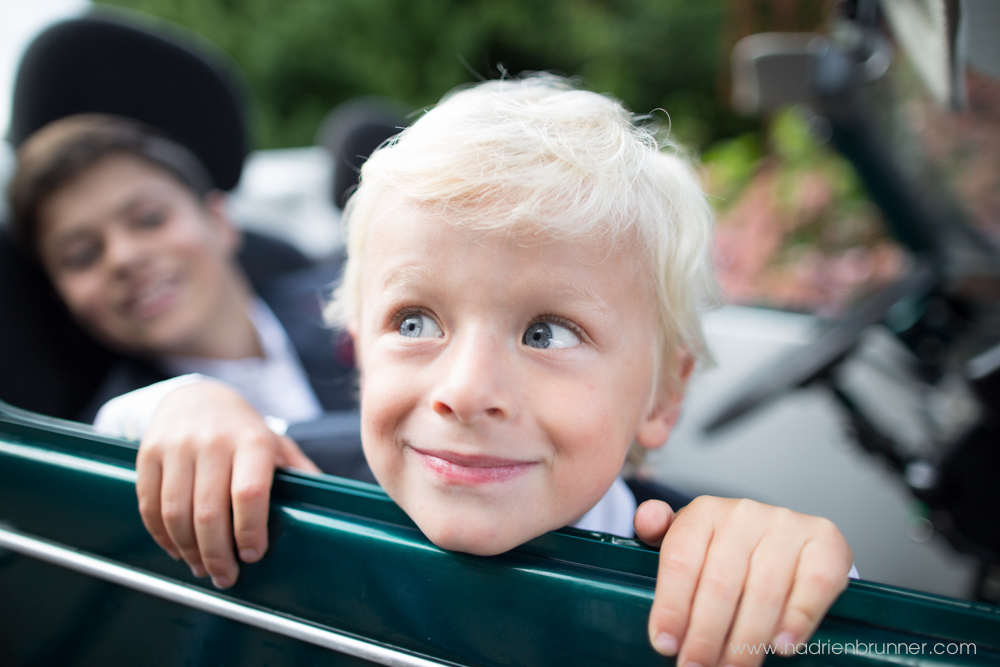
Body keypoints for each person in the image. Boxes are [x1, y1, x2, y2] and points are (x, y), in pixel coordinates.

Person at [115, 75, 854, 667]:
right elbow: (116, 435)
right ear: (358, 353)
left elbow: (827, 616)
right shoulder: (297, 473)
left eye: (547, 331)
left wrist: (790, 571)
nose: (465, 392)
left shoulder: (684, 568)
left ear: (662, 396)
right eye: (414, 323)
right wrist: (188, 405)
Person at [6, 114, 370, 479]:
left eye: (149, 219)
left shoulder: (358, 296)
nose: (123, 257)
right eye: (82, 256)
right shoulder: (108, 451)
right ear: (62, 296)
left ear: (218, 220)